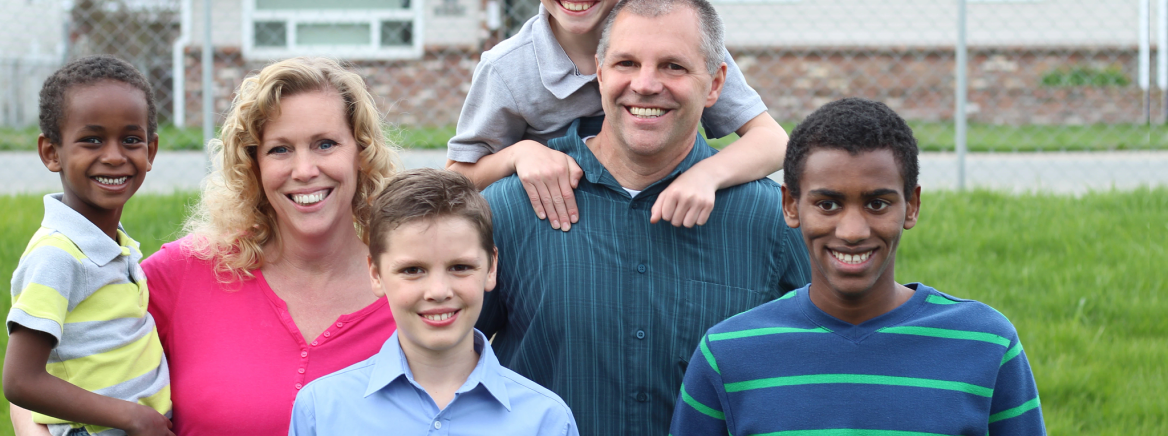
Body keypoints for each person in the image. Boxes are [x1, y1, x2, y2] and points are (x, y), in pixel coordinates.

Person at [11, 57, 403, 436]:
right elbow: (46, 368)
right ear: (253, 165)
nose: (304, 170)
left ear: (361, 154)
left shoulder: (411, 284)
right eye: (279, 149)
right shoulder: (186, 272)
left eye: (326, 144)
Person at [476, 1, 811, 435]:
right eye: (626, 63)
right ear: (599, 73)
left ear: (715, 84)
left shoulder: (769, 222)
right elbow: (446, 361)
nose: (646, 84)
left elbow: (825, 369)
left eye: (673, 67)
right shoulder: (512, 210)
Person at [670, 98, 1046, 435]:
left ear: (911, 206)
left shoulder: (987, 344)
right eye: (828, 205)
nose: (852, 232)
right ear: (790, 206)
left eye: (877, 204)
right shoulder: (728, 355)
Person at [447, 0, 788, 232]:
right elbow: (456, 179)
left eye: (669, 66)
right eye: (626, 63)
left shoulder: (674, 34)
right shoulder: (508, 69)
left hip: (668, 220)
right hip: (565, 233)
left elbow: (772, 141)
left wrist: (706, 176)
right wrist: (519, 154)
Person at [288, 168, 579, 435]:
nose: (438, 291)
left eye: (460, 267)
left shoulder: (546, 420)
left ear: (491, 268)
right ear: (376, 274)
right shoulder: (321, 410)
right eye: (413, 270)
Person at [4, 55, 171, 436]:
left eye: (131, 140)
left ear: (151, 152)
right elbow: (20, 381)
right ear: (51, 153)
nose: (114, 156)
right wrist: (133, 417)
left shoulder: (113, 245)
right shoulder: (58, 255)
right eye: (91, 139)